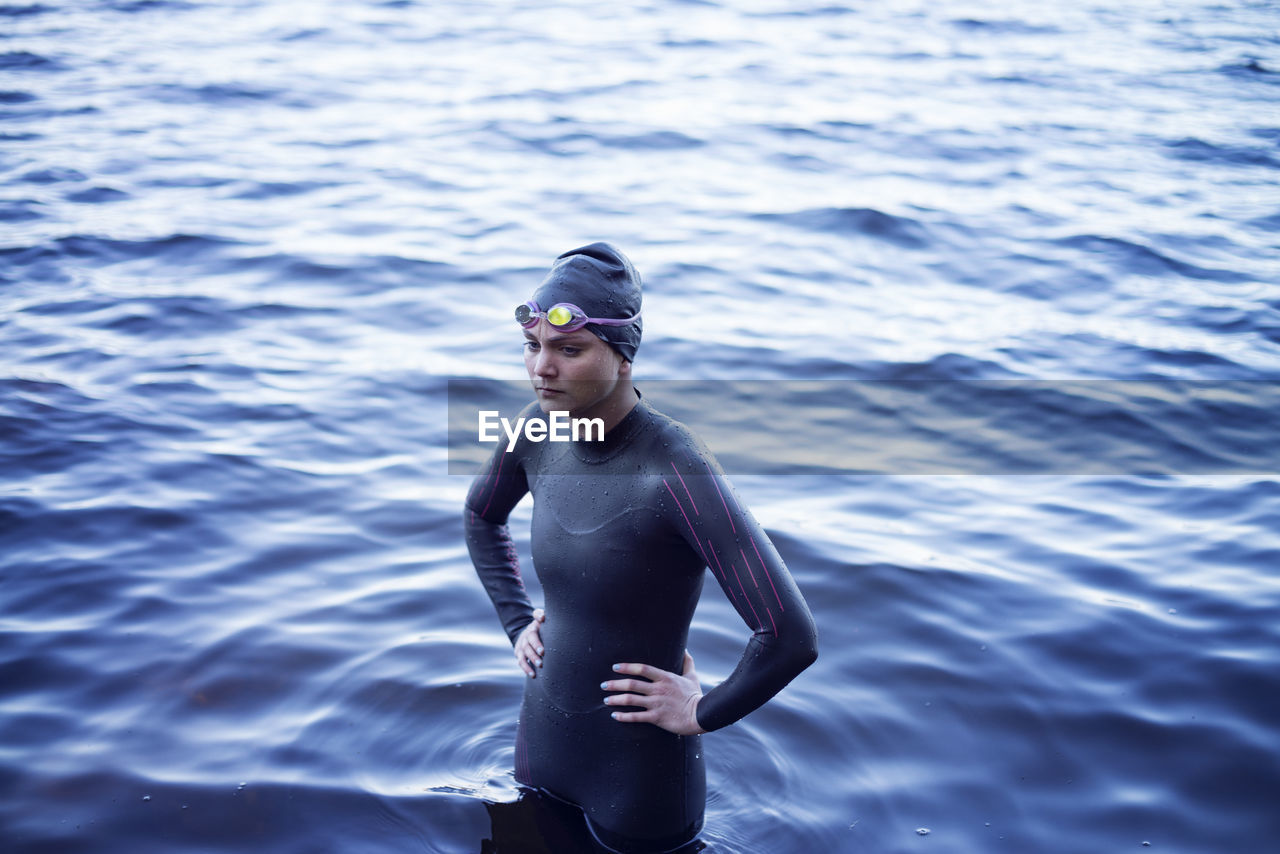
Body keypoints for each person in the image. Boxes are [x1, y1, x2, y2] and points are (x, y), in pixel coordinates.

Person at [464, 243, 818, 853]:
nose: (540, 369)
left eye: (569, 350)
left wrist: (701, 712)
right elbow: (480, 516)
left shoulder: (678, 469)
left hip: (639, 781)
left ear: (623, 357)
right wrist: (517, 621)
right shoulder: (535, 431)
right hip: (539, 748)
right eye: (533, 347)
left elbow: (790, 636)